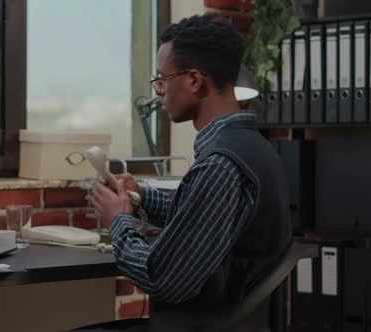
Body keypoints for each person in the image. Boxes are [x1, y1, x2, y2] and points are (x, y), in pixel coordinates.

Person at [79, 14, 292, 331]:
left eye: (162, 79)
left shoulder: (221, 163)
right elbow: (203, 220)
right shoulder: (254, 147)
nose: (159, 91)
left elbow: (162, 278)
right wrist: (140, 196)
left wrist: (118, 219)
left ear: (194, 80)